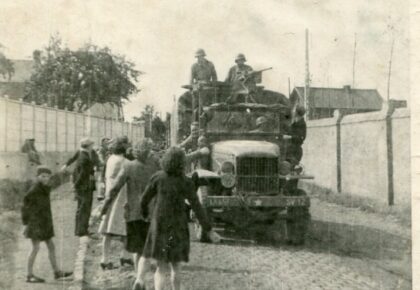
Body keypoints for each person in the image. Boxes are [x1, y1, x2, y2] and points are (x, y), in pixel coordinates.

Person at [132, 147, 220, 290]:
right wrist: (209, 230)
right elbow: (197, 207)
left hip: (158, 223)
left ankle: (140, 280)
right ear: (182, 163)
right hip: (178, 227)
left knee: (159, 266)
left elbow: (144, 199)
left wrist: (144, 214)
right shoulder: (186, 182)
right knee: (175, 266)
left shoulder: (157, 177)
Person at [98, 139, 160, 273]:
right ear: (149, 152)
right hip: (151, 211)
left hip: (133, 212)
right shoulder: (155, 167)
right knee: (148, 246)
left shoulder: (128, 166)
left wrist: (104, 207)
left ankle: (138, 277)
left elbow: (114, 189)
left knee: (137, 249)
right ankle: (147, 272)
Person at [21, 166, 73, 283]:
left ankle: (57, 272)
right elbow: (25, 207)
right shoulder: (34, 190)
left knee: (51, 246)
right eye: (42, 176)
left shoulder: (45, 188)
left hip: (44, 222)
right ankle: (29, 275)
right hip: (35, 224)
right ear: (37, 177)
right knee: (35, 248)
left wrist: (62, 173)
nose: (45, 178)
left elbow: (55, 182)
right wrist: (25, 223)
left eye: (47, 176)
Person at [97, 139, 132, 269]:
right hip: (123, 198)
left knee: (107, 229)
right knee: (126, 229)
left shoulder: (110, 159)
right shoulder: (126, 163)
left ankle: (104, 259)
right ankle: (125, 256)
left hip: (110, 196)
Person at [62, 137, 96, 237]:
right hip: (85, 186)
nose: (92, 146)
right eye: (91, 145)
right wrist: (75, 185)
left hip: (82, 185)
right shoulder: (85, 157)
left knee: (81, 208)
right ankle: (82, 231)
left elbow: (72, 159)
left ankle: (79, 230)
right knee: (85, 208)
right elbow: (83, 174)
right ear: (88, 146)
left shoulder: (81, 153)